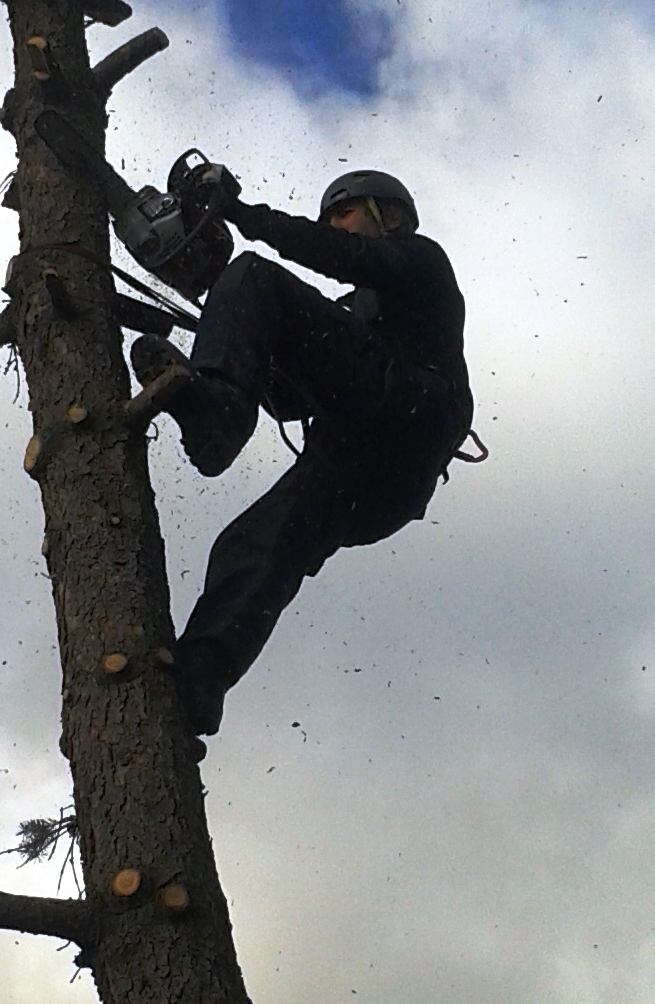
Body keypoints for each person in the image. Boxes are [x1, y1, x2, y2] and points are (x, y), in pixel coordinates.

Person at [129, 169, 474, 745]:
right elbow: (289, 397)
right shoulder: (352, 314)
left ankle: (217, 412)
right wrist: (234, 322)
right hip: (365, 476)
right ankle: (196, 682)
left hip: (409, 411)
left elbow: (341, 258)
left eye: (343, 213)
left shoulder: (419, 263)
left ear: (386, 214)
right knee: (255, 545)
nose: (333, 225)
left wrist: (241, 216)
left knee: (254, 277)